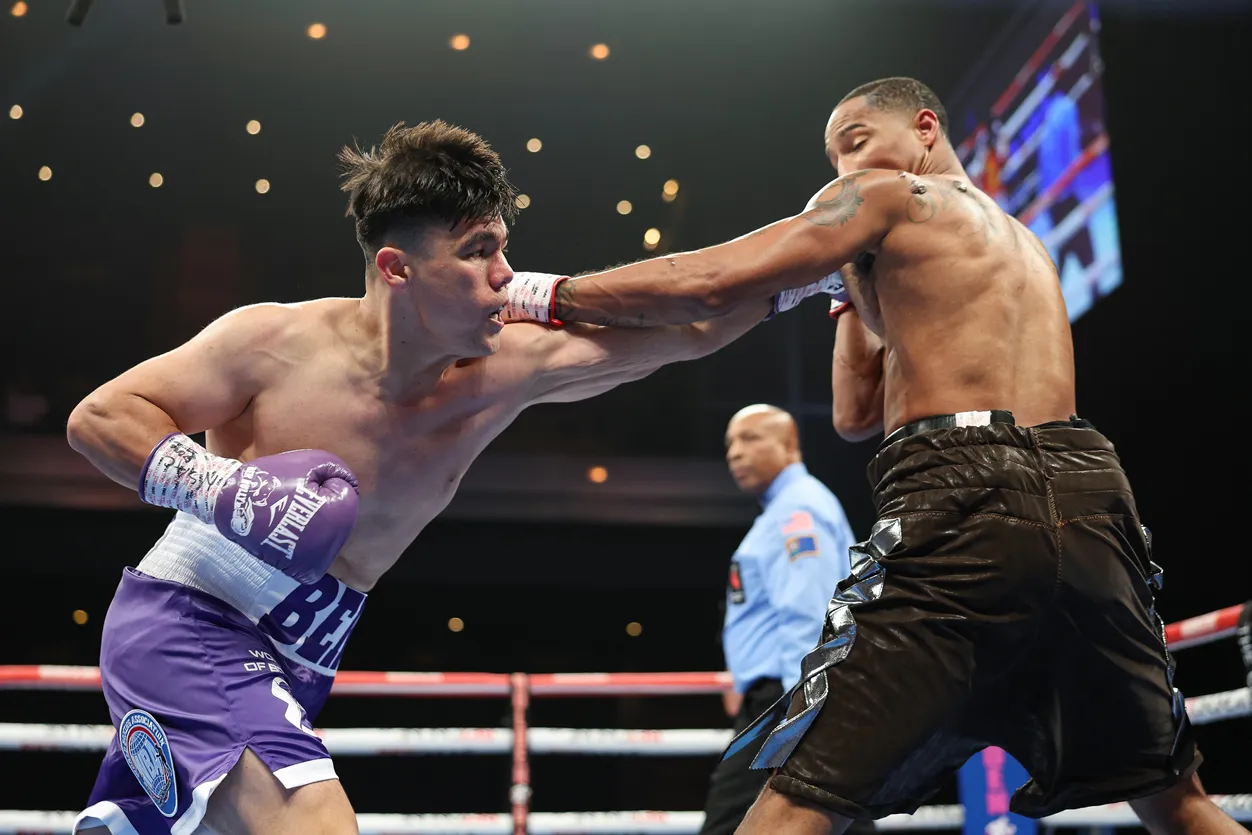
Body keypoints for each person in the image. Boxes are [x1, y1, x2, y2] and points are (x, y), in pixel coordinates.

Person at [501, 79, 1241, 834]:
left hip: (964, 493)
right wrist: (852, 293)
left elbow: (710, 284)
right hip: (1091, 498)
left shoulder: (888, 196)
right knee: (1176, 802)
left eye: (855, 141)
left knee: (798, 794)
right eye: (834, 158)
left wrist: (540, 294)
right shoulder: (1026, 242)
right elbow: (856, 413)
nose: (844, 168)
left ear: (925, 127)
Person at [66, 120, 789, 835]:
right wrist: (226, 490)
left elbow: (692, 327)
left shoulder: (509, 370)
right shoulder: (273, 345)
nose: (505, 274)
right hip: (191, 619)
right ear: (396, 268)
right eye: (477, 251)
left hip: (299, 660)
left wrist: (809, 270)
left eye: (502, 247)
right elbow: (101, 416)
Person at [703, 405, 870, 835]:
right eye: (730, 444)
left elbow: (809, 611)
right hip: (788, 694)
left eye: (750, 438)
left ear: (789, 444)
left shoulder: (799, 512)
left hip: (787, 698)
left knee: (731, 819)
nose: (735, 453)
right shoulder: (789, 508)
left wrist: (803, 708)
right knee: (832, 813)